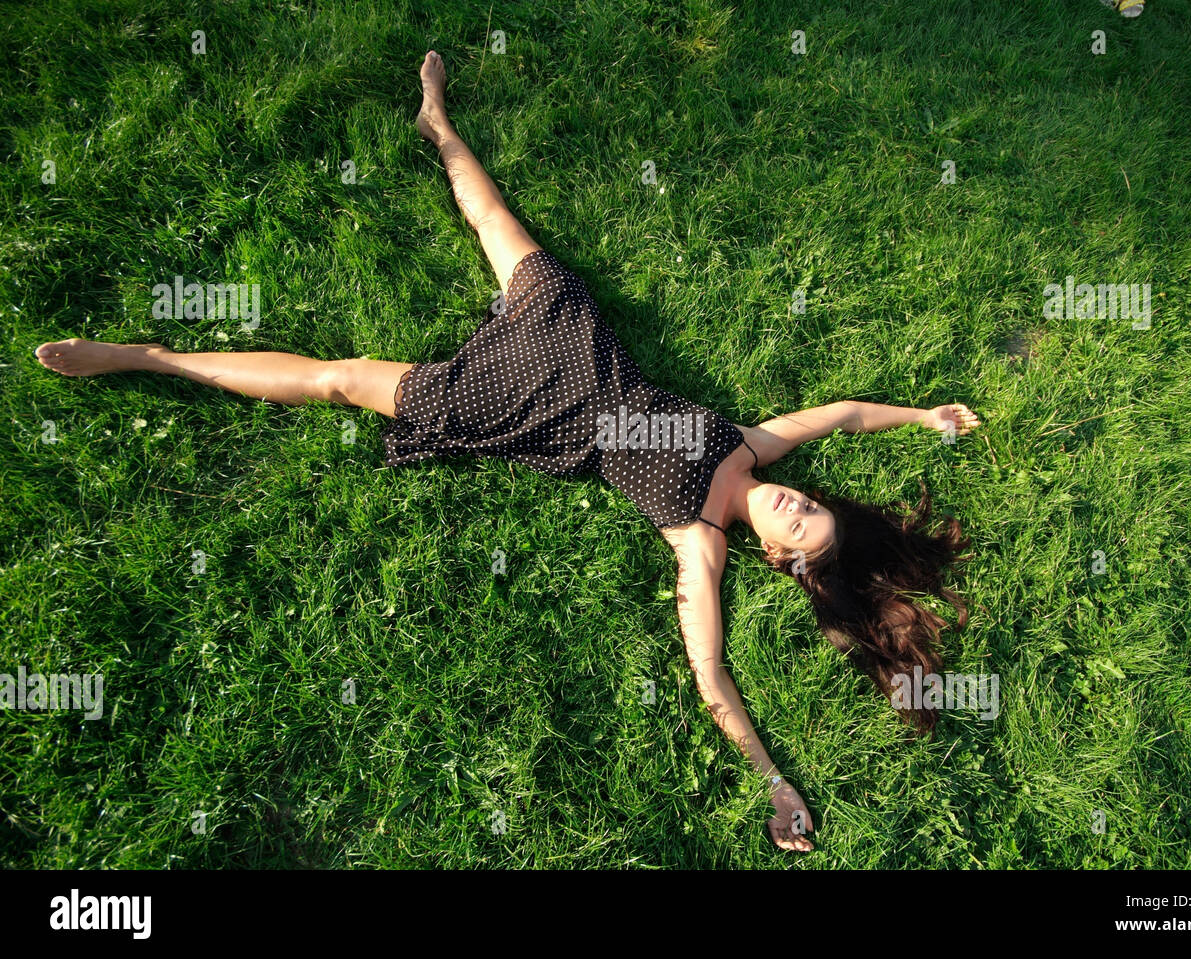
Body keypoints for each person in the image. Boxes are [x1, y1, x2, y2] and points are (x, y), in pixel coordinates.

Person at [35, 51, 982, 853]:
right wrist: (925, 415)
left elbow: (711, 676)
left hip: (518, 406)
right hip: (570, 335)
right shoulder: (752, 447)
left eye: (796, 533)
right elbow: (849, 411)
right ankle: (438, 124)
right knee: (495, 221)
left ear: (776, 560)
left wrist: (773, 780)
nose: (793, 511)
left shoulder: (698, 540)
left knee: (340, 376)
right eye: (810, 507)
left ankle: (143, 356)